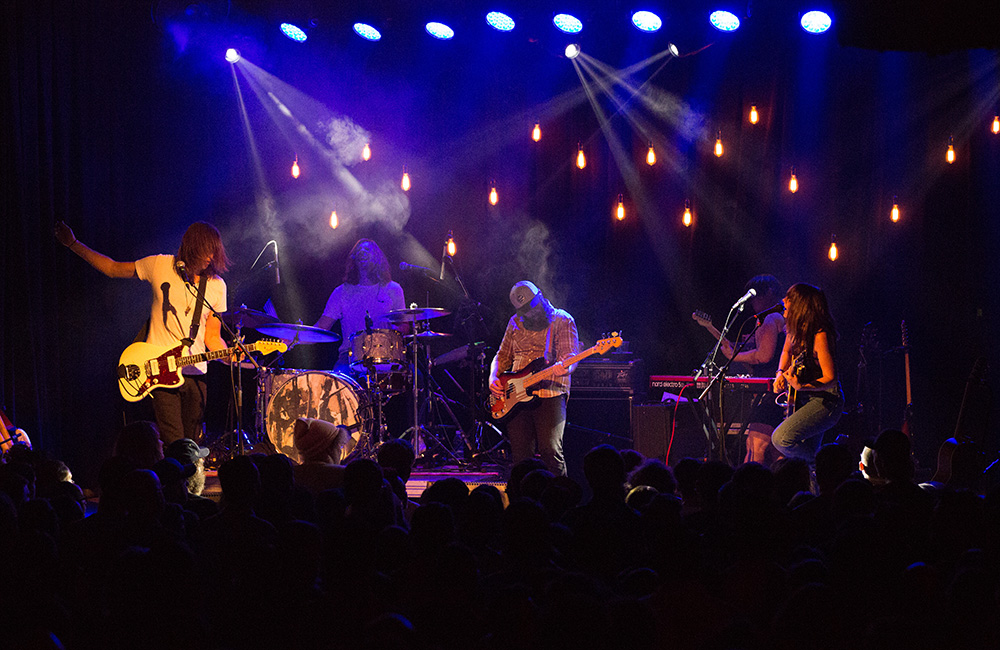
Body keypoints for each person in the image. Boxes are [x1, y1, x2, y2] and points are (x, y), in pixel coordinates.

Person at [54, 220, 230, 445]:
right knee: (176, 444)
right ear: (192, 246)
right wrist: (74, 244)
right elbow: (112, 268)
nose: (210, 258)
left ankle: (192, 480)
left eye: (214, 252)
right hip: (160, 372)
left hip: (196, 375)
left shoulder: (217, 286)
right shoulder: (160, 265)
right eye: (207, 251)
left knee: (193, 445)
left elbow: (213, 337)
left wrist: (228, 355)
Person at [489, 281, 580, 476]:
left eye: (532, 308)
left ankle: (561, 498)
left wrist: (565, 369)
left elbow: (571, 357)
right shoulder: (515, 322)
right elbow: (502, 356)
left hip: (551, 392)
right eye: (525, 312)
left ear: (541, 297)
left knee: (550, 450)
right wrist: (493, 377)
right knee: (521, 457)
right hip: (515, 396)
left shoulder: (562, 320)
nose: (530, 315)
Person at [771, 283, 844, 464]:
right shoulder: (793, 330)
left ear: (800, 305)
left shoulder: (820, 336)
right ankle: (816, 483)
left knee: (781, 438)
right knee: (807, 456)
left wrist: (802, 386)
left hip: (826, 401)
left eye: (789, 298)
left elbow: (831, 378)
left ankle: (821, 463)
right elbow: (786, 352)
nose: (783, 301)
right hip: (804, 399)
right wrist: (780, 373)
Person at [717, 275, 786, 464]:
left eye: (757, 296)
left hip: (771, 392)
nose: (753, 301)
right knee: (776, 449)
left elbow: (764, 356)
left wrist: (734, 356)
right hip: (780, 391)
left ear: (769, 293)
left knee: (755, 445)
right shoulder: (778, 317)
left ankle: (749, 490)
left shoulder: (771, 318)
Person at [314, 239, 405, 373]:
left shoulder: (393, 289)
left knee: (413, 378)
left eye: (368, 250)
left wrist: (393, 332)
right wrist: (293, 336)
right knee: (336, 384)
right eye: (359, 251)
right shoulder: (341, 292)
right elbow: (322, 327)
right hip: (349, 357)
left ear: (377, 257)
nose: (363, 252)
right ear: (354, 259)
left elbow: (404, 325)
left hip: (386, 356)